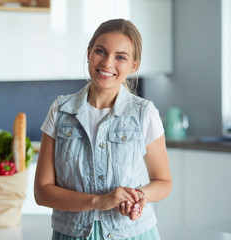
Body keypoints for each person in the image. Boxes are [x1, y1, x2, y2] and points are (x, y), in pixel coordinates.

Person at [34, 19, 172, 240]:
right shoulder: (60, 110)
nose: (107, 63)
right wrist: (99, 201)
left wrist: (139, 196)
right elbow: (42, 192)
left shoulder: (144, 113)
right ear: (89, 53)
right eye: (101, 51)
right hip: (71, 234)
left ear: (133, 66)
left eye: (120, 57)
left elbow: (163, 182)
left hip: (132, 234)